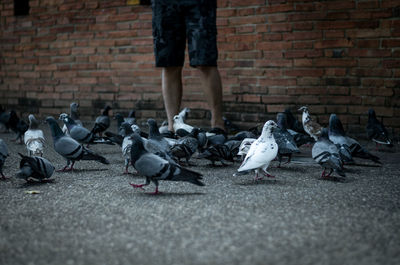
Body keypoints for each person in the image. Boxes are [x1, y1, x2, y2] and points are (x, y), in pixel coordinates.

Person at [151, 0, 225, 132]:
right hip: (164, 3)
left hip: (199, 3)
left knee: (205, 61)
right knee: (169, 63)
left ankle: (218, 124)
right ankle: (171, 126)